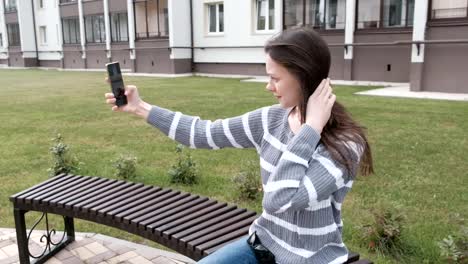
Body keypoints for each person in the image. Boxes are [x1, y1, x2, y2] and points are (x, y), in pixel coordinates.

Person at [104, 27, 374, 264]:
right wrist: (140, 108)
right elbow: (203, 133)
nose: (268, 86)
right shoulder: (269, 120)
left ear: (304, 77)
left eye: (276, 78)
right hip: (263, 245)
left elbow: (281, 199)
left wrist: (310, 129)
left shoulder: (345, 144)